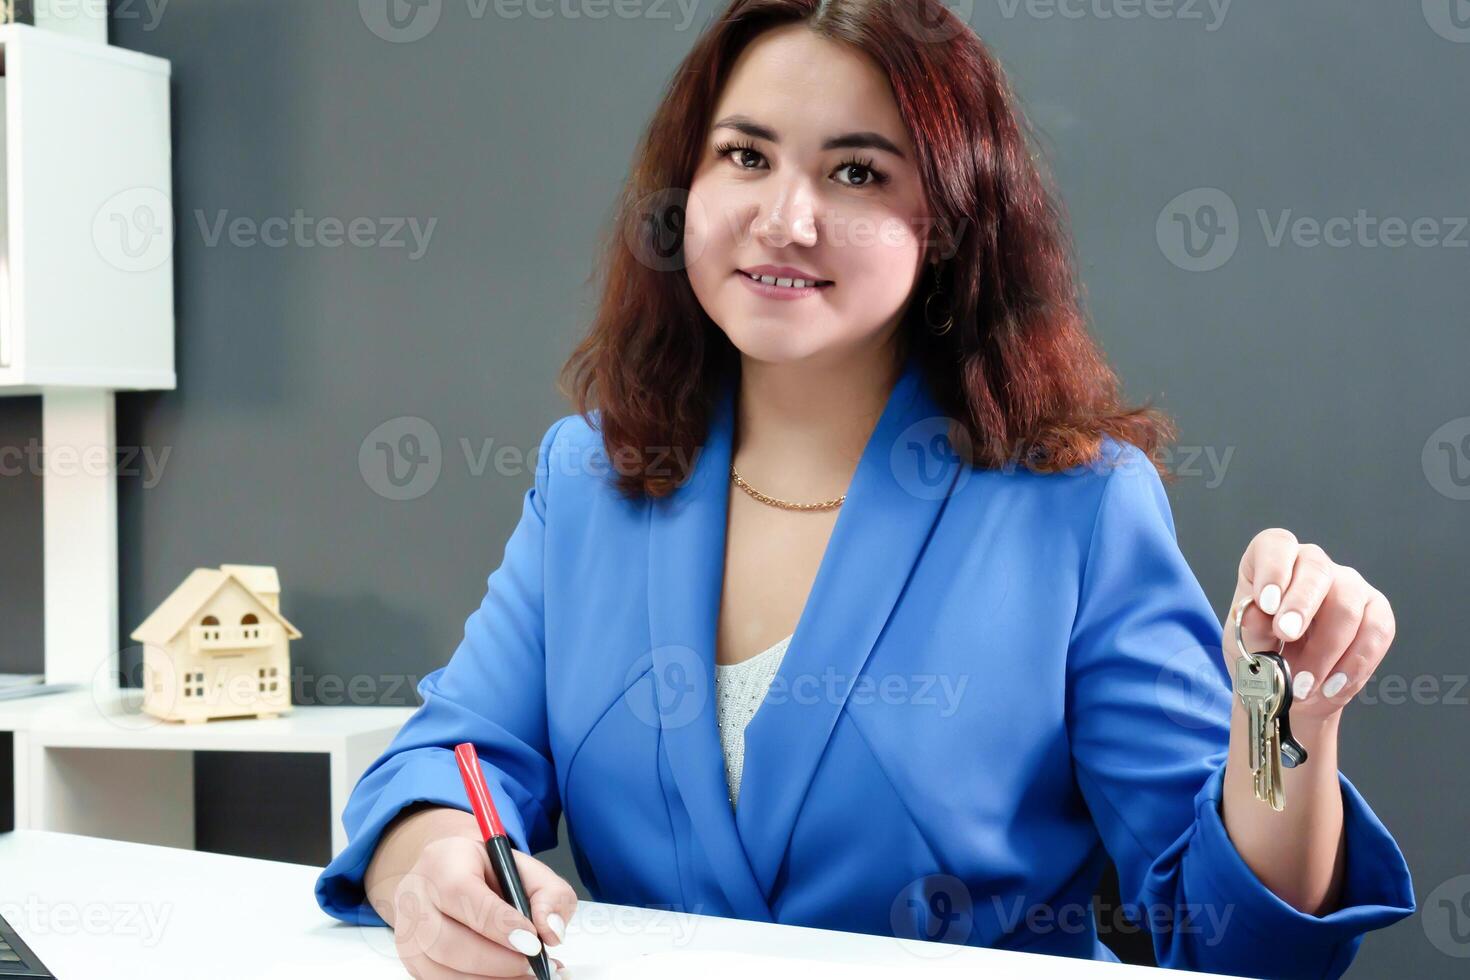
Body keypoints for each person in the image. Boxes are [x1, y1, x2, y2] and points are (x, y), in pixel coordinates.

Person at [315, 2, 1415, 977]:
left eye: (856, 172)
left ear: (947, 224)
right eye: (744, 156)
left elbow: (1231, 934)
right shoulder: (588, 477)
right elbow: (453, 752)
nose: (785, 219)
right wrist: (434, 866)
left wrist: (1288, 719)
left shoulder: (1078, 507)